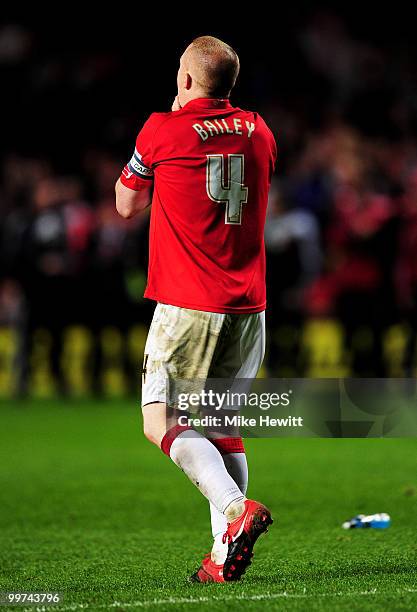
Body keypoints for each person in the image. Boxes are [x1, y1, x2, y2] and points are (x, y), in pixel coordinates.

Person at [115, 35, 277, 583]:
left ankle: (237, 513)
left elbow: (126, 202)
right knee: (222, 425)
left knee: (158, 420)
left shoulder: (163, 129)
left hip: (189, 304)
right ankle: (222, 555)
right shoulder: (261, 130)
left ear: (186, 80)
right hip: (249, 306)